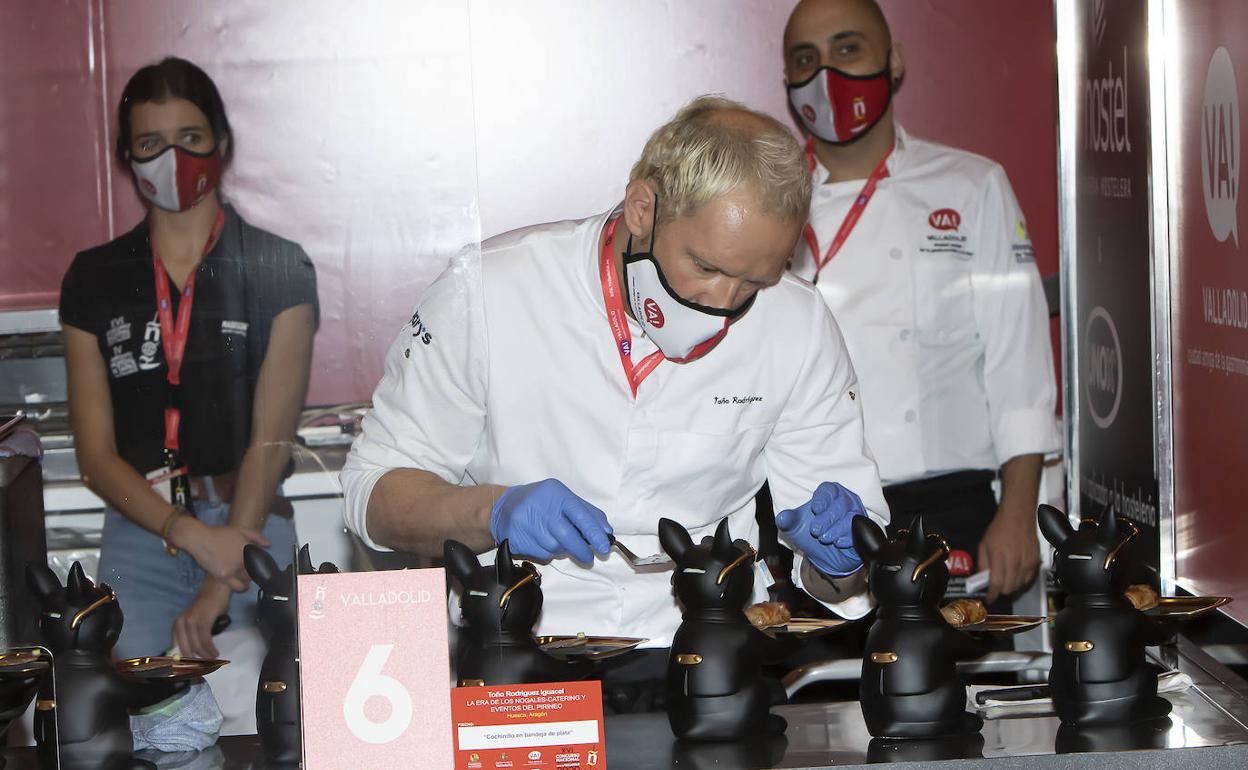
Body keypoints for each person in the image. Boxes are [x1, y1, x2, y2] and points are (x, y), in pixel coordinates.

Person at [342, 95, 889, 705]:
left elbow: (845, 575)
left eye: (754, 282)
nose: (725, 302)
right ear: (642, 207)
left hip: (711, 661)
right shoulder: (492, 291)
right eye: (705, 266)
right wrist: (494, 512)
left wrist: (843, 562)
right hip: (514, 657)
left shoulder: (799, 323)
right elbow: (373, 494)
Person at [781, 0, 1059, 604]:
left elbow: (1019, 362)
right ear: (787, 80)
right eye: (806, 59)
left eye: (848, 48)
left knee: (956, 696)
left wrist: (1018, 512)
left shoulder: (972, 185)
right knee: (812, 695)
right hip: (807, 508)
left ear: (894, 61)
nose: (826, 74)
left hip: (948, 506)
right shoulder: (767, 205)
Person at [59, 57, 318, 663]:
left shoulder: (280, 267)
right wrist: (191, 536)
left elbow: (269, 443)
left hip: (253, 528)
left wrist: (217, 581)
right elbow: (95, 458)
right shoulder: (93, 279)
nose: (172, 158)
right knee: (142, 728)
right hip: (143, 533)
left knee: (281, 721)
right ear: (127, 156)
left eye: (190, 139)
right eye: (151, 143)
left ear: (221, 144)